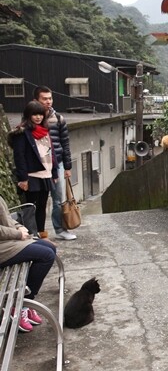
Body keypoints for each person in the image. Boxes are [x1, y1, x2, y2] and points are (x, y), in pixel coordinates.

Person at [1, 195, 57, 332]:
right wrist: (17, 234)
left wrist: (20, 227)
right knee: (46, 256)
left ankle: (25, 304)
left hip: (8, 241)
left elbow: (7, 218)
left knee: (50, 248)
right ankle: (21, 305)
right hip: (4, 246)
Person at [10, 101, 59, 240]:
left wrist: (54, 172)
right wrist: (23, 178)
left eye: (40, 114)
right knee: (30, 207)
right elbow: (19, 156)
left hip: (46, 173)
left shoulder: (45, 130)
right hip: (31, 175)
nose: (38, 117)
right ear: (28, 115)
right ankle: (32, 235)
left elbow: (52, 153)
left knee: (43, 205)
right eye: (34, 114)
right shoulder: (22, 132)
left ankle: (42, 235)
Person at [34, 86, 77, 241]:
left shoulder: (58, 118)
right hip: (37, 167)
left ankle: (60, 229)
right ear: (36, 100)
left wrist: (67, 167)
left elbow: (65, 144)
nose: (48, 101)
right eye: (44, 98)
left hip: (56, 164)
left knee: (58, 200)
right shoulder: (31, 119)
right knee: (39, 201)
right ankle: (38, 232)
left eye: (50, 98)